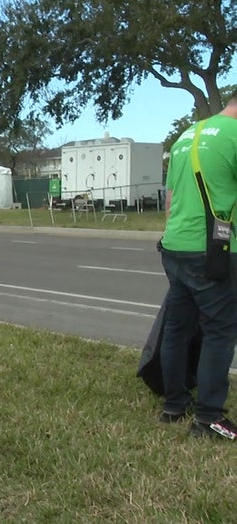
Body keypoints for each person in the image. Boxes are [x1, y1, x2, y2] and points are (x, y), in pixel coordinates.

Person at [158, 93, 237, 441]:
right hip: (215, 251)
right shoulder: (234, 137)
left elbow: (171, 200)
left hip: (175, 246)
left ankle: (174, 405)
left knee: (177, 328)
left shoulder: (185, 137)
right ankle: (208, 418)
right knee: (219, 331)